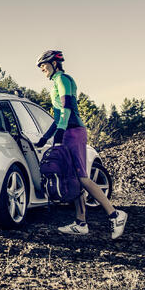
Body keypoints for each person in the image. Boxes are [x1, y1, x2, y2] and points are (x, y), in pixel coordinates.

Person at [35, 50, 127, 239]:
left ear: (54, 63)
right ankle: (80, 222)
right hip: (68, 131)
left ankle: (115, 215)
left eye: (44, 64)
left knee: (82, 177)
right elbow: (59, 115)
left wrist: (61, 130)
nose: (42, 68)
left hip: (74, 131)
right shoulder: (55, 83)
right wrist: (46, 137)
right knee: (74, 178)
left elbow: (67, 108)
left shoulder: (63, 79)